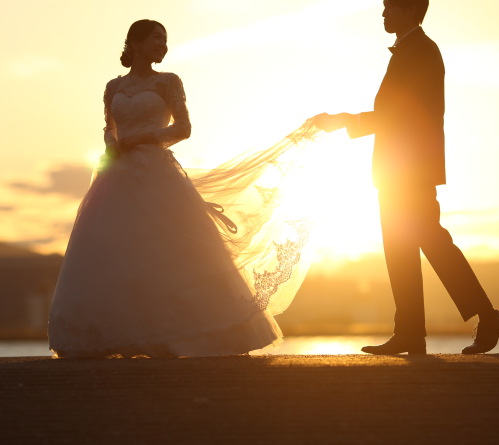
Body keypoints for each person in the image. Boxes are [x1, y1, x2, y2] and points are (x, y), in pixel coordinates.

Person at [48, 19, 313, 358]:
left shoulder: (168, 82)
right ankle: (119, 335)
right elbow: (108, 128)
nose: (163, 45)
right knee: (115, 252)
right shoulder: (113, 87)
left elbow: (183, 128)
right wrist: (112, 146)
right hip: (117, 176)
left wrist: (141, 139)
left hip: (157, 173)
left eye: (165, 39)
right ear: (135, 43)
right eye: (156, 38)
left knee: (173, 251)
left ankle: (188, 334)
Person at [314, 0, 499, 355]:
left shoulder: (420, 52)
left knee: (429, 241)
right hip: (399, 170)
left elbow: (398, 115)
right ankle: (411, 333)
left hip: (410, 170)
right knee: (403, 247)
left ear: (410, 9)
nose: (383, 14)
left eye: (389, 6)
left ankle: (484, 317)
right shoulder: (412, 50)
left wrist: (343, 120)